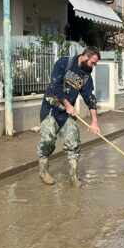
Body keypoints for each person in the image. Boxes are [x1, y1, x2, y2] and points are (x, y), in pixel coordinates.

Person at [37, 46, 101, 186]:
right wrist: (67, 105)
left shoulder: (86, 77)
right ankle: (43, 171)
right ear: (85, 56)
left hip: (67, 114)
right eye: (93, 62)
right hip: (51, 108)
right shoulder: (64, 63)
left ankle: (73, 176)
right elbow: (55, 86)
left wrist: (94, 121)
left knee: (73, 142)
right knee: (48, 140)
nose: (93, 66)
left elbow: (90, 97)